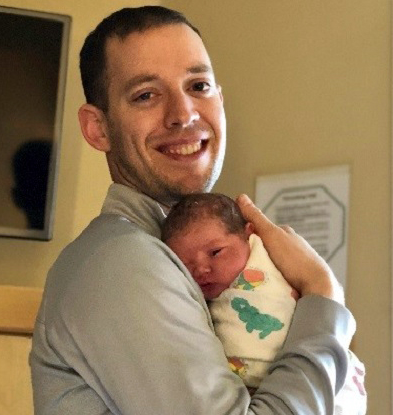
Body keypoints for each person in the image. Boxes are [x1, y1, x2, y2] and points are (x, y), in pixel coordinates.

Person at [30, 5, 358, 415]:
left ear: (220, 102)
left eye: (198, 86)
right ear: (98, 128)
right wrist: (322, 295)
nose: (183, 114)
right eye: (146, 95)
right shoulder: (123, 262)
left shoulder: (199, 262)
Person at [162, 193, 367, 414]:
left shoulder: (270, 258)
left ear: (249, 234)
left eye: (215, 252)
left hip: (323, 381)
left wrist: (319, 282)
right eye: (185, 264)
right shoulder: (191, 301)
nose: (201, 269)